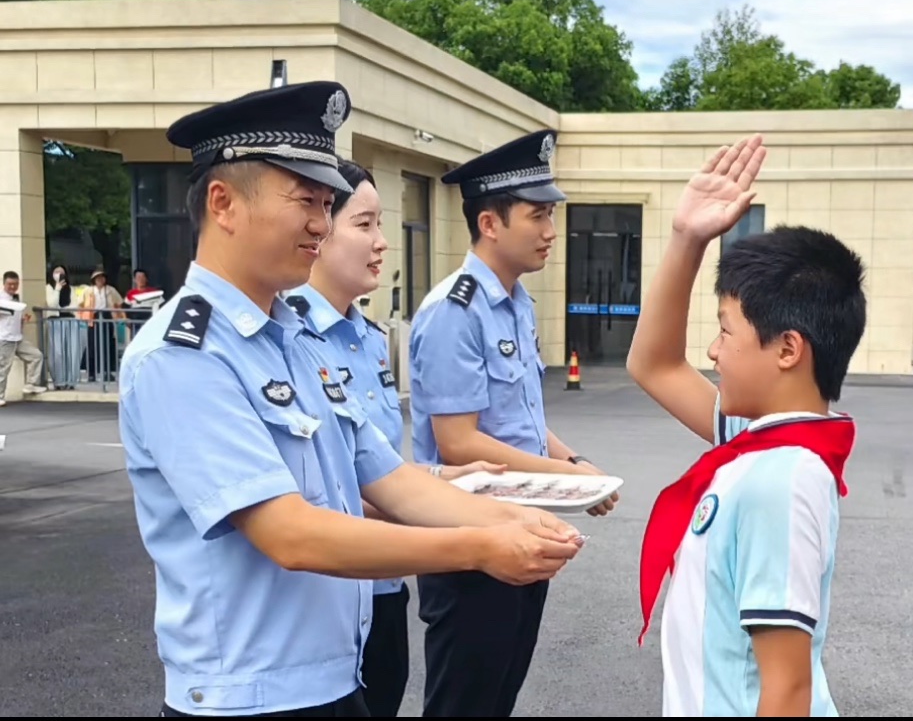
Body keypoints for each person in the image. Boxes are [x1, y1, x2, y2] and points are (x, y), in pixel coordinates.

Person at [118, 81, 584, 718]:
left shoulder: (293, 340)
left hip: (335, 681)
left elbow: (392, 480)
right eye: (306, 199)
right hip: (249, 701)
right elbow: (291, 535)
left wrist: (511, 521)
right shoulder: (184, 355)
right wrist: (480, 547)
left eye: (327, 201)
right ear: (223, 203)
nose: (320, 222)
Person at [626, 135, 867, 717]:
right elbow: (653, 364)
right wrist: (687, 239)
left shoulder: (781, 479)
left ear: (787, 349)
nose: (712, 350)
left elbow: (787, 690)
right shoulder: (760, 444)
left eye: (725, 330)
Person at [282, 158, 506, 717]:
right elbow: (317, 495)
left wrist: (443, 480)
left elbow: (372, 464)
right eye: (364, 224)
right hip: (333, 587)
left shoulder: (365, 335)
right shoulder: (290, 341)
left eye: (380, 224)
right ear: (319, 231)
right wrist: (469, 531)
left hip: (383, 588)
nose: (382, 242)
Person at [407, 128, 619, 717]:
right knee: (464, 702)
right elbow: (458, 442)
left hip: (523, 524)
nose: (551, 231)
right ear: (490, 223)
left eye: (551, 215)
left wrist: (574, 463)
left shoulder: (515, 301)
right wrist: (569, 478)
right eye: (538, 215)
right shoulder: (455, 312)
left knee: (497, 697)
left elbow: (522, 418)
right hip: (470, 536)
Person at [0, 271, 47, 405]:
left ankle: (30, 384)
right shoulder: (1, 299)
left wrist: (22, 319)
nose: (13, 287)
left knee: (36, 356)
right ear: (4, 284)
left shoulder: (16, 299)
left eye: (15, 284)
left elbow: (14, 318)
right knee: (3, 368)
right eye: (10, 284)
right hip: (5, 338)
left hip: (17, 337)